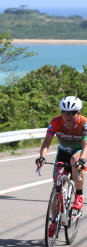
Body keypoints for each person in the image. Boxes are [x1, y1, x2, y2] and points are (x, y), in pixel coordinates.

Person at [35, 96, 87, 237]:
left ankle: (79, 194)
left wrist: (82, 160)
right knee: (56, 187)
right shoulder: (56, 121)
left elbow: (85, 145)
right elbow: (46, 143)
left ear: (79, 112)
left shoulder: (84, 123)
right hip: (62, 153)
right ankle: (54, 221)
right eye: (65, 112)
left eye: (72, 113)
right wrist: (42, 157)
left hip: (79, 153)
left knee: (74, 161)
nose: (68, 116)